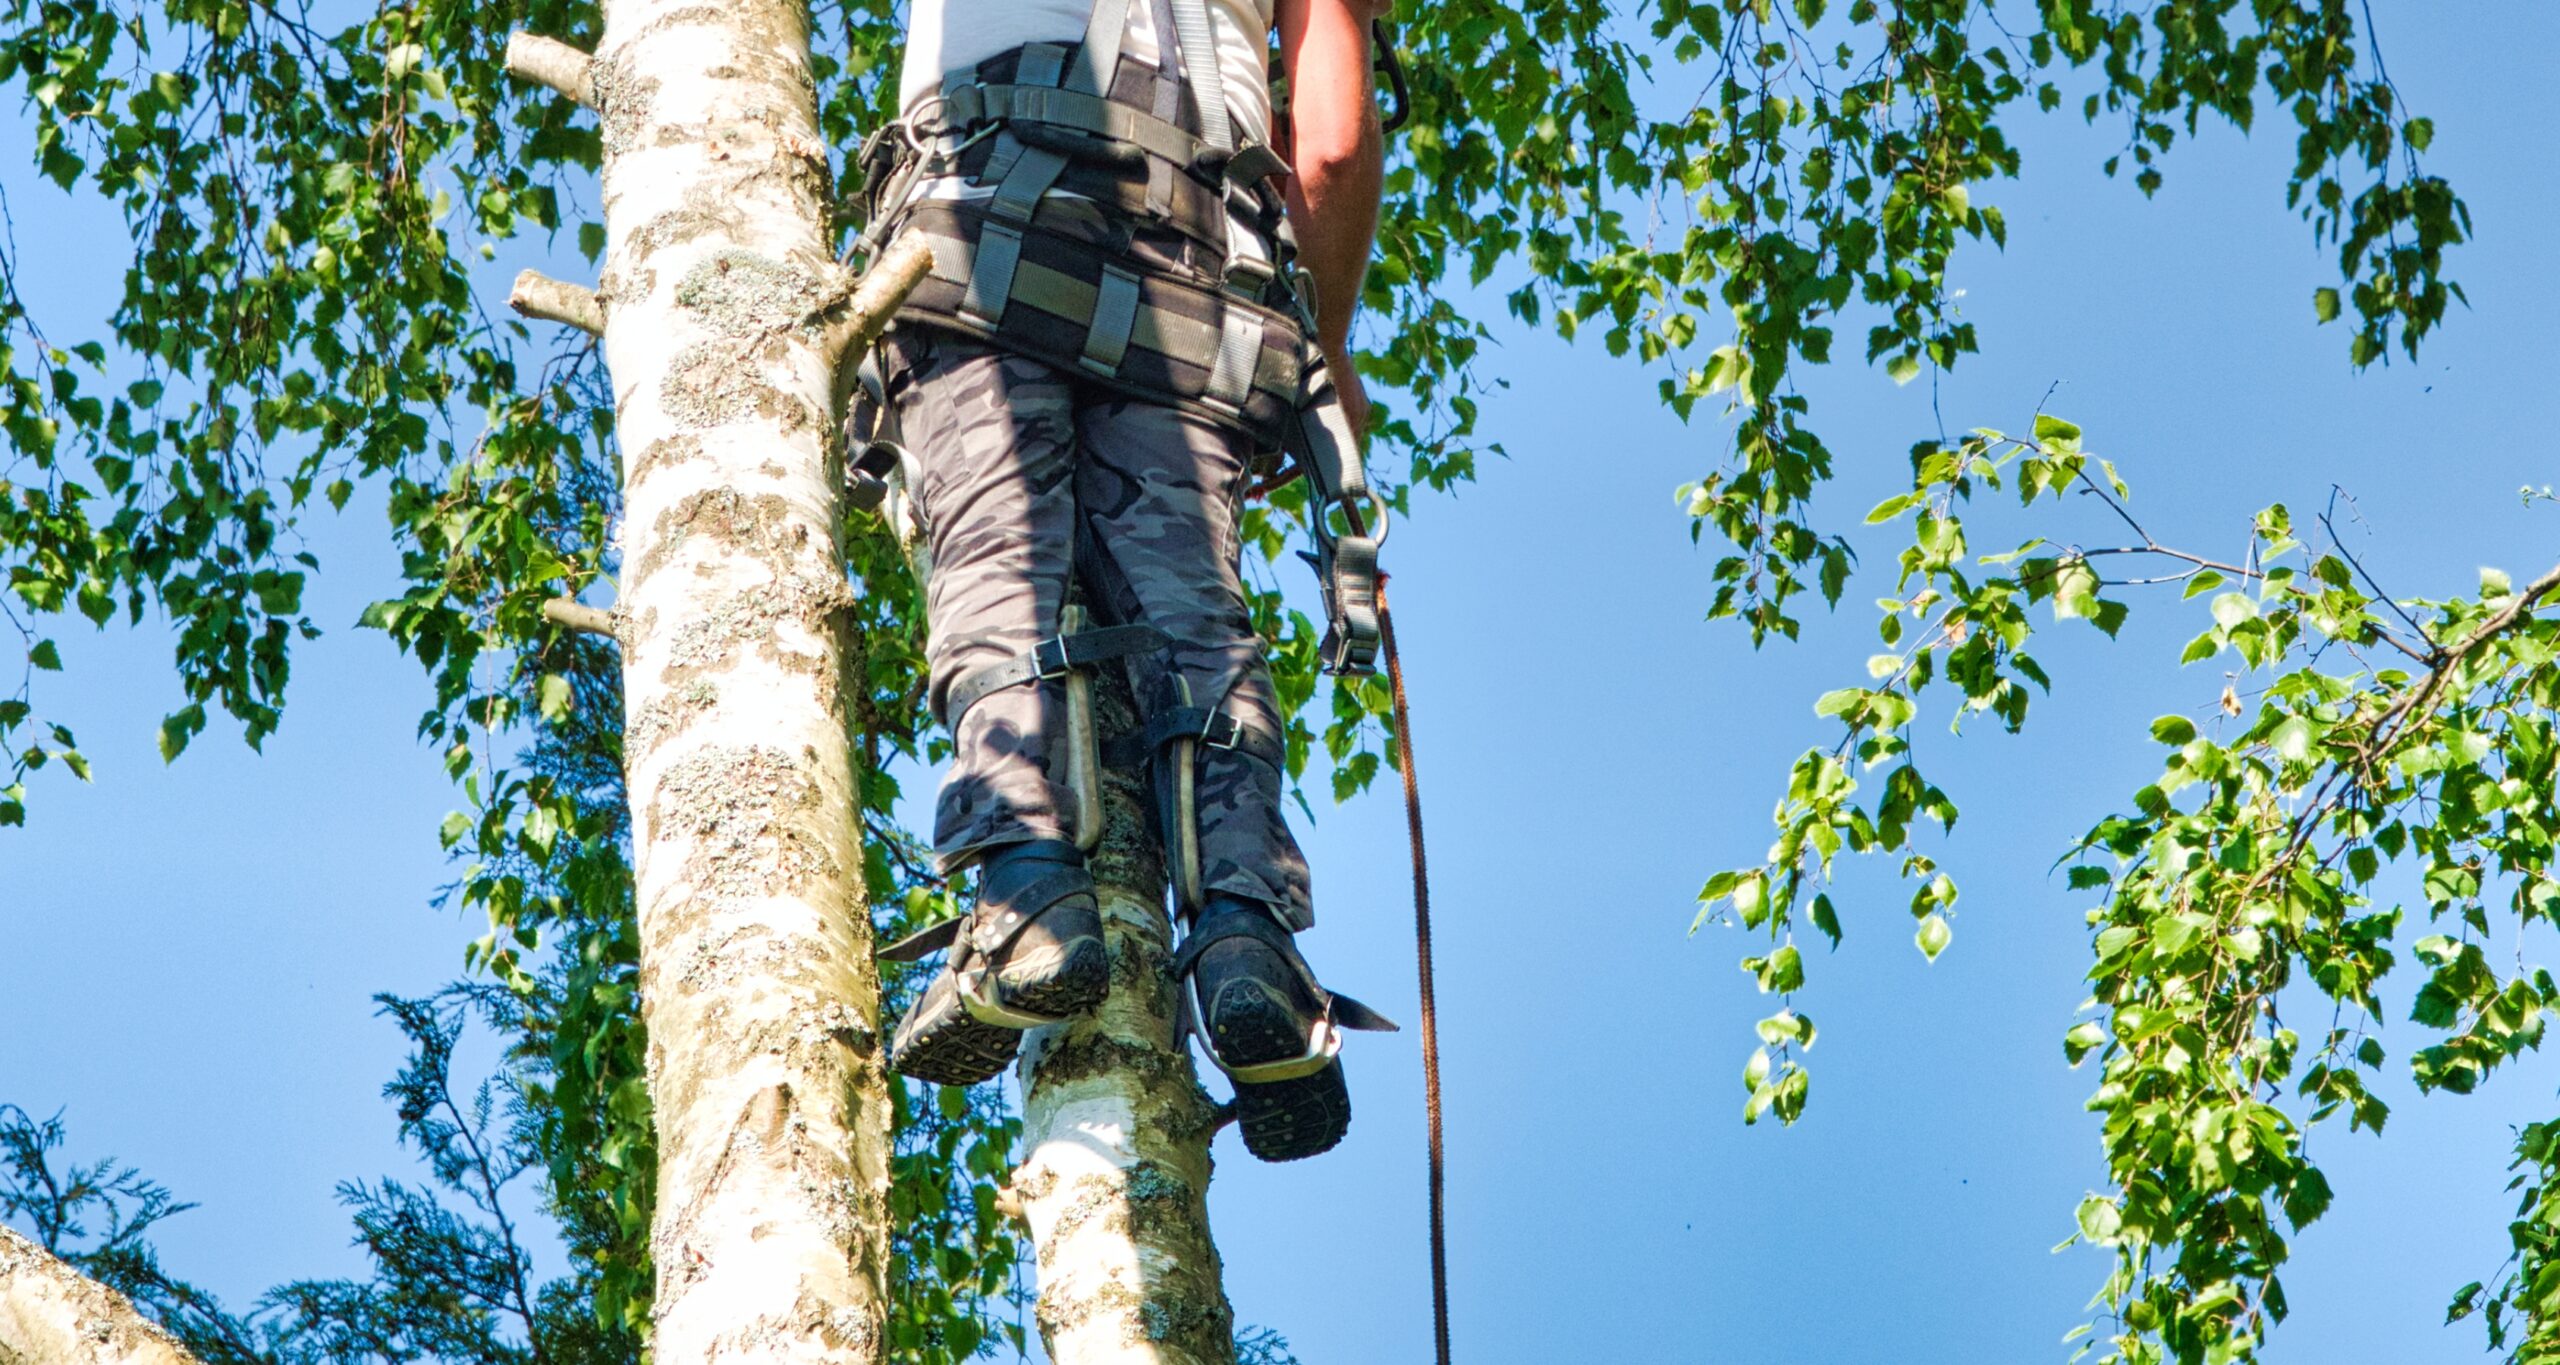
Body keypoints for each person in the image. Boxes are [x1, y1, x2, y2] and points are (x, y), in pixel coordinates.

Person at [854, 0, 1395, 1161]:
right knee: (1194, 620)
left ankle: (1030, 897)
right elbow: (1333, 143)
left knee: (998, 559)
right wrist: (1328, 347)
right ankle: (1247, 943)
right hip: (1200, 273)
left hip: (983, 215)